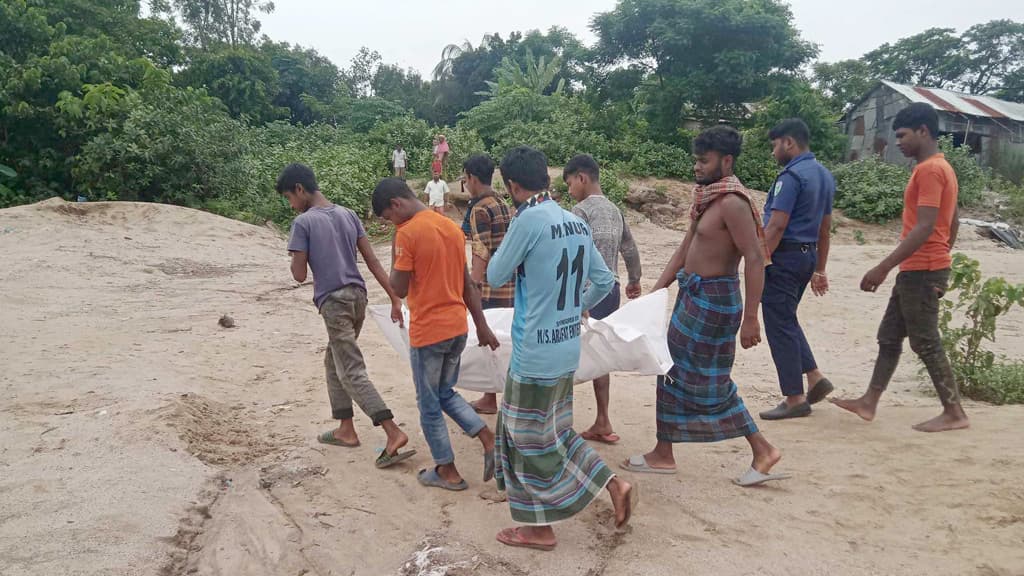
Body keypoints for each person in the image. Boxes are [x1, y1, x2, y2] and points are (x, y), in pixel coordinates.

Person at [487, 146, 635, 552]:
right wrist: (573, 309)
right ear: (547, 179)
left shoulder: (528, 219)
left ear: (513, 185)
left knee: (524, 439)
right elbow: (604, 281)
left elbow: (495, 273)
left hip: (535, 352)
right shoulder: (574, 221)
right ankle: (614, 483)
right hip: (566, 347)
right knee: (554, 433)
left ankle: (538, 528)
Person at [622, 126, 788, 487]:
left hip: (714, 302)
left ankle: (761, 449)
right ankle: (664, 453)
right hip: (692, 296)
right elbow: (685, 249)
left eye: (704, 160)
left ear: (726, 161)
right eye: (696, 159)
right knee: (672, 370)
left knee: (702, 379)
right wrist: (657, 290)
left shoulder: (733, 202)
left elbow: (756, 259)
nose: (696, 167)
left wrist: (751, 319)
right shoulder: (707, 197)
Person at [831, 103, 968, 433]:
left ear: (923, 131)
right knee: (889, 336)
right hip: (919, 267)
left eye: (903, 135)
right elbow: (953, 221)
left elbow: (924, 227)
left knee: (925, 341)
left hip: (921, 270)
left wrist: (884, 267)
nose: (898, 142)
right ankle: (869, 402)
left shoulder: (930, 170)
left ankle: (954, 412)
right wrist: (939, 256)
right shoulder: (939, 167)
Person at [278, 163, 415, 468]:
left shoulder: (303, 223)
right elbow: (373, 263)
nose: (291, 204)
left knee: (350, 369)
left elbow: (299, 275)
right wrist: (394, 298)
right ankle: (345, 428)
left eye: (289, 198)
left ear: (299, 190)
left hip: (334, 302)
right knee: (334, 359)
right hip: (358, 299)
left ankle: (392, 431)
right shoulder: (347, 214)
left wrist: (296, 254)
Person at [372, 177, 500, 491]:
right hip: (457, 326)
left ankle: (447, 470)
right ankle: (486, 438)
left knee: (428, 403)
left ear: (396, 205)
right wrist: (481, 326)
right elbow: (467, 283)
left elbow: (398, 288)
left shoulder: (408, 233)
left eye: (389, 218)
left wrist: (396, 244)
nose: (392, 223)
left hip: (429, 331)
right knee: (444, 393)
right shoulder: (450, 228)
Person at [757, 119, 836, 420]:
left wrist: (759, 261)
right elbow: (825, 229)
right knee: (787, 317)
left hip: (784, 257)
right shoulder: (824, 176)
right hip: (807, 257)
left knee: (779, 323)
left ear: (788, 142)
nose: (774, 151)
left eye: (775, 145)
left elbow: (776, 225)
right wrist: (820, 269)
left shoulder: (790, 177)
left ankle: (794, 397)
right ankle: (814, 376)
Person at [562, 154, 643, 444]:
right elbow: (630, 248)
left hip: (585, 292)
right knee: (602, 355)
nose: (569, 190)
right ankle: (603, 419)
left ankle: (560, 422)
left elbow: (571, 255)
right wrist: (634, 279)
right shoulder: (615, 210)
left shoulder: (579, 212)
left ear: (581, 178)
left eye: (569, 183)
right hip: (611, 291)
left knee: (568, 353)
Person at [459, 154, 516, 416]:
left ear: (471, 177)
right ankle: (498, 396)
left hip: (492, 287)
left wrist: (473, 285)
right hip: (511, 285)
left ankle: (490, 398)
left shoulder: (480, 208)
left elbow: (481, 250)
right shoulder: (501, 202)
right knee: (505, 341)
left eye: (464, 178)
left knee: (489, 342)